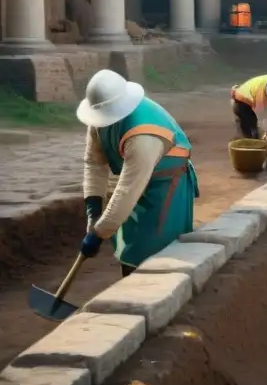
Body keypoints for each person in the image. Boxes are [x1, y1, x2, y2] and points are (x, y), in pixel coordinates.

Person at [77, 70, 198, 277]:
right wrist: (93, 210)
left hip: (166, 185)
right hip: (138, 181)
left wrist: (99, 233)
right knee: (130, 247)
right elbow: (94, 164)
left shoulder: (143, 136)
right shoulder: (99, 121)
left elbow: (126, 190)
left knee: (159, 253)